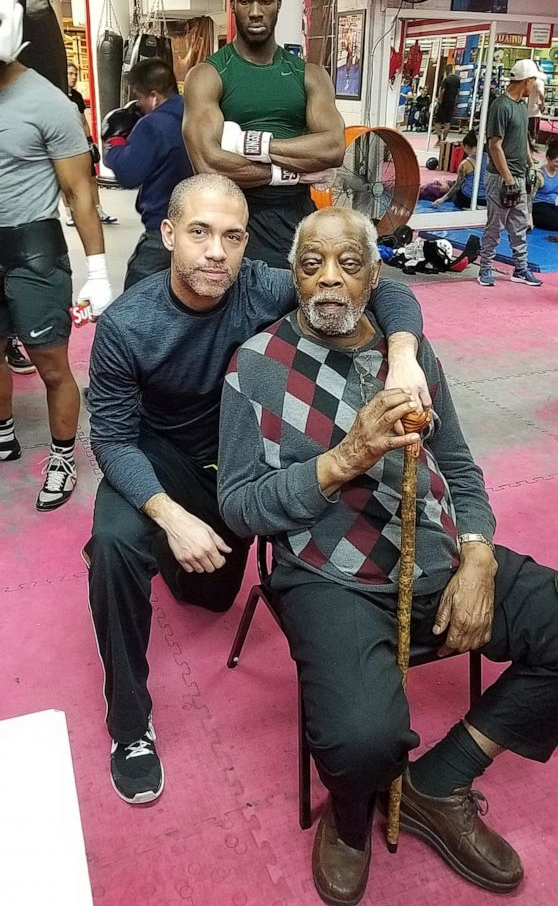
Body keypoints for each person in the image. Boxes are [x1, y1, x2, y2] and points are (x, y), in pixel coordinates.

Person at [218, 206, 558, 906]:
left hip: (435, 556)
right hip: (327, 575)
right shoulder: (255, 366)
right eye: (312, 264)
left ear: (376, 275)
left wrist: (479, 557)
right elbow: (240, 506)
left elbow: (458, 465)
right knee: (361, 740)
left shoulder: (411, 357)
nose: (330, 280)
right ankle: (348, 821)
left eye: (349, 263)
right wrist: (346, 457)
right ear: (294, 275)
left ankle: (440, 780)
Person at [84, 173, 430, 806]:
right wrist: (168, 515)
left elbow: (385, 288)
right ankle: (129, 725)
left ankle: (175, 548)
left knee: (211, 595)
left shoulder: (260, 286)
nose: (216, 251)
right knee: (113, 543)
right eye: (199, 233)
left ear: (247, 245)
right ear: (167, 236)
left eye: (232, 236)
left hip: (235, 458)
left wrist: (404, 353)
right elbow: (110, 441)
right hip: (159, 454)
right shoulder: (127, 327)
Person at [0, 0, 112, 508]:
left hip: (32, 251)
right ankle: (3, 432)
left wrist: (98, 273)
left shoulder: (49, 105)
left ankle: (65, 456)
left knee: (49, 364)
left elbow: (80, 193)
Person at [183, 0, 345, 269]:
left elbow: (333, 147)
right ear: (233, 3)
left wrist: (247, 145)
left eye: (265, 0)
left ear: (279, 2)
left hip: (299, 222)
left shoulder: (310, 75)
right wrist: (292, 173)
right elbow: (208, 163)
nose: (255, 11)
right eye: (245, 0)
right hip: (236, 223)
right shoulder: (208, 75)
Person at [102, 57, 193, 289]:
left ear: (154, 95)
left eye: (140, 96)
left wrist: (114, 143)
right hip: (197, 227)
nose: (138, 103)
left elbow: (129, 173)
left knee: (136, 297)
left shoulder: (152, 125)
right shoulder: (195, 115)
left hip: (163, 229)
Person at [478, 59, 543, 287]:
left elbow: (523, 138)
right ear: (526, 81)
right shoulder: (501, 106)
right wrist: (507, 178)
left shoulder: (522, 107)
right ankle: (485, 267)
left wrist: (530, 165)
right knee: (495, 225)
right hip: (500, 177)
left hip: (518, 175)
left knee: (519, 224)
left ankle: (521, 268)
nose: (534, 87)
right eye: (533, 82)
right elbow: (494, 145)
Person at [66, 61, 117, 227]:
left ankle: (98, 210)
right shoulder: (57, 96)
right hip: (64, 142)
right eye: (70, 73)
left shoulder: (77, 96)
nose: (73, 77)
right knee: (66, 180)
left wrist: (90, 141)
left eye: (75, 74)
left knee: (91, 178)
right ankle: (70, 213)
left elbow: (82, 119)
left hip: (80, 141)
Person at [431, 129, 487, 208]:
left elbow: (457, 186)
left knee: (456, 194)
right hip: (486, 198)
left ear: (466, 146)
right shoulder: (489, 158)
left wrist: (442, 199)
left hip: (469, 197)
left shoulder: (465, 164)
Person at [532, 140, 558, 231]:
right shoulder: (539, 174)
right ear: (548, 158)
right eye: (556, 162)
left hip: (552, 206)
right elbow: (530, 196)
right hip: (538, 206)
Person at [433, 66, 460, 146]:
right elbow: (458, 92)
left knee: (437, 122)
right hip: (451, 102)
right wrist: (456, 102)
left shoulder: (446, 80)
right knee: (447, 122)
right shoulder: (457, 80)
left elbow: (442, 91)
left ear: (446, 71)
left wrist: (439, 101)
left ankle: (439, 139)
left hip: (444, 102)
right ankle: (444, 140)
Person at [527, 69, 545, 142]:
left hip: (529, 108)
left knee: (529, 129)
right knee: (534, 131)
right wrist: (542, 104)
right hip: (535, 109)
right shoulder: (539, 82)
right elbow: (541, 93)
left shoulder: (530, 81)